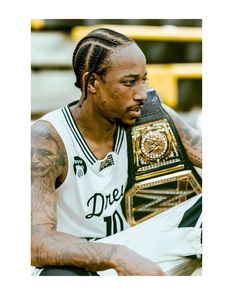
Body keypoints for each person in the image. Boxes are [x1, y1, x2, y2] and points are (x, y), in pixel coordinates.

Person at [31, 28, 202, 276]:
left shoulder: (147, 113)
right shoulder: (46, 140)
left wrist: (124, 253)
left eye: (143, 80)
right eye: (129, 82)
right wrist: (116, 256)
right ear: (92, 83)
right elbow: (36, 242)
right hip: (79, 264)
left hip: (136, 245)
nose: (142, 93)